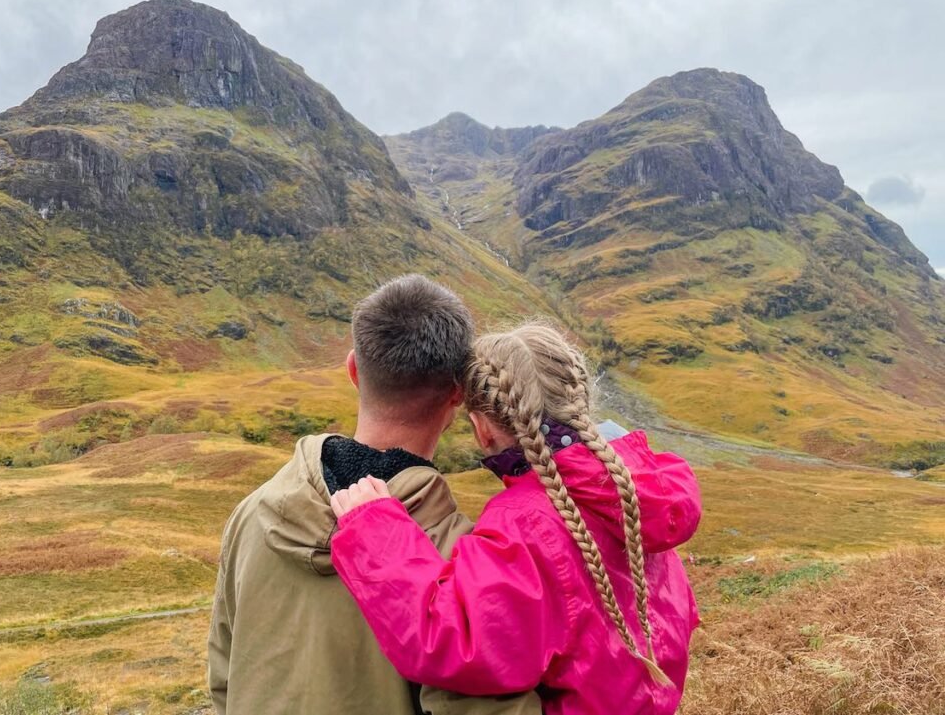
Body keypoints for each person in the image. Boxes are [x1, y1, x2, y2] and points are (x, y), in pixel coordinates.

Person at [207, 274, 540, 715]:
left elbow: (224, 681)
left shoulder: (250, 514)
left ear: (352, 370)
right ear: (458, 393)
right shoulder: (466, 560)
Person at [330, 323, 702, 715]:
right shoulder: (637, 486)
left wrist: (374, 530)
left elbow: (454, 641)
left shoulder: (522, 525)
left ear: (482, 429)